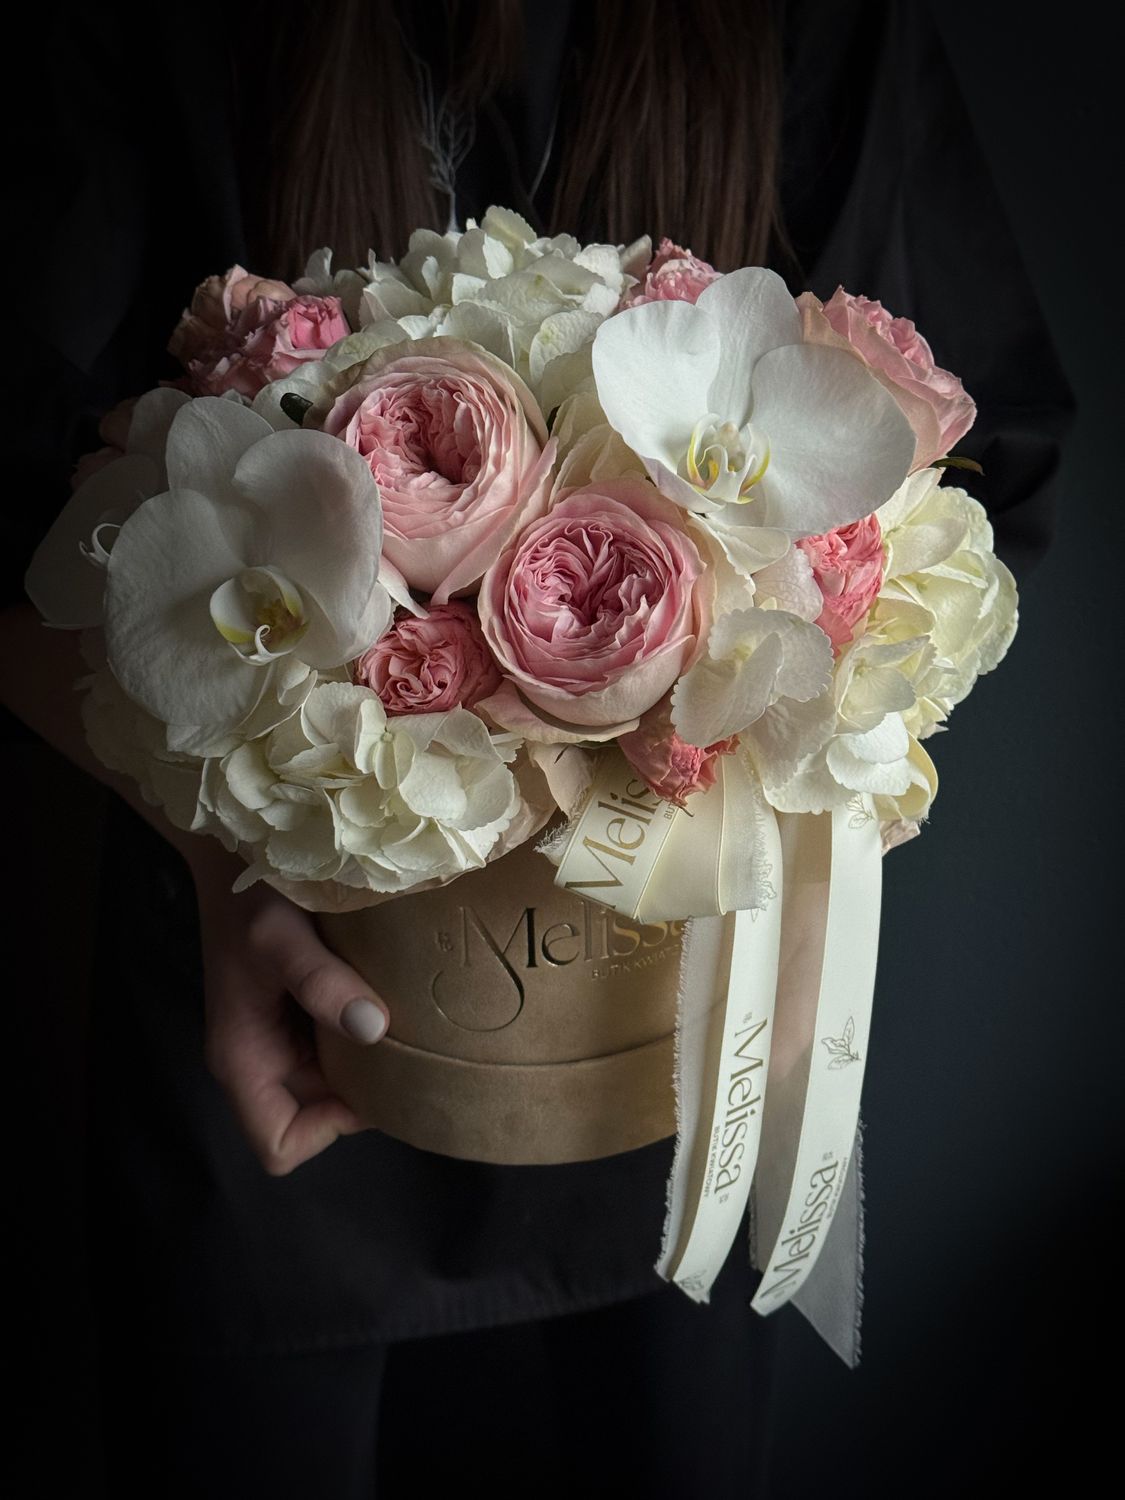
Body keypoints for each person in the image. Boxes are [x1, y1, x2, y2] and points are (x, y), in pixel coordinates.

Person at [3, 1, 1074, 1495]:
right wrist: (215, 860)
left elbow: (964, 472)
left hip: (676, 1065)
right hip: (273, 1022)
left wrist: (799, 706)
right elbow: (21, 541)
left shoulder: (804, 33)